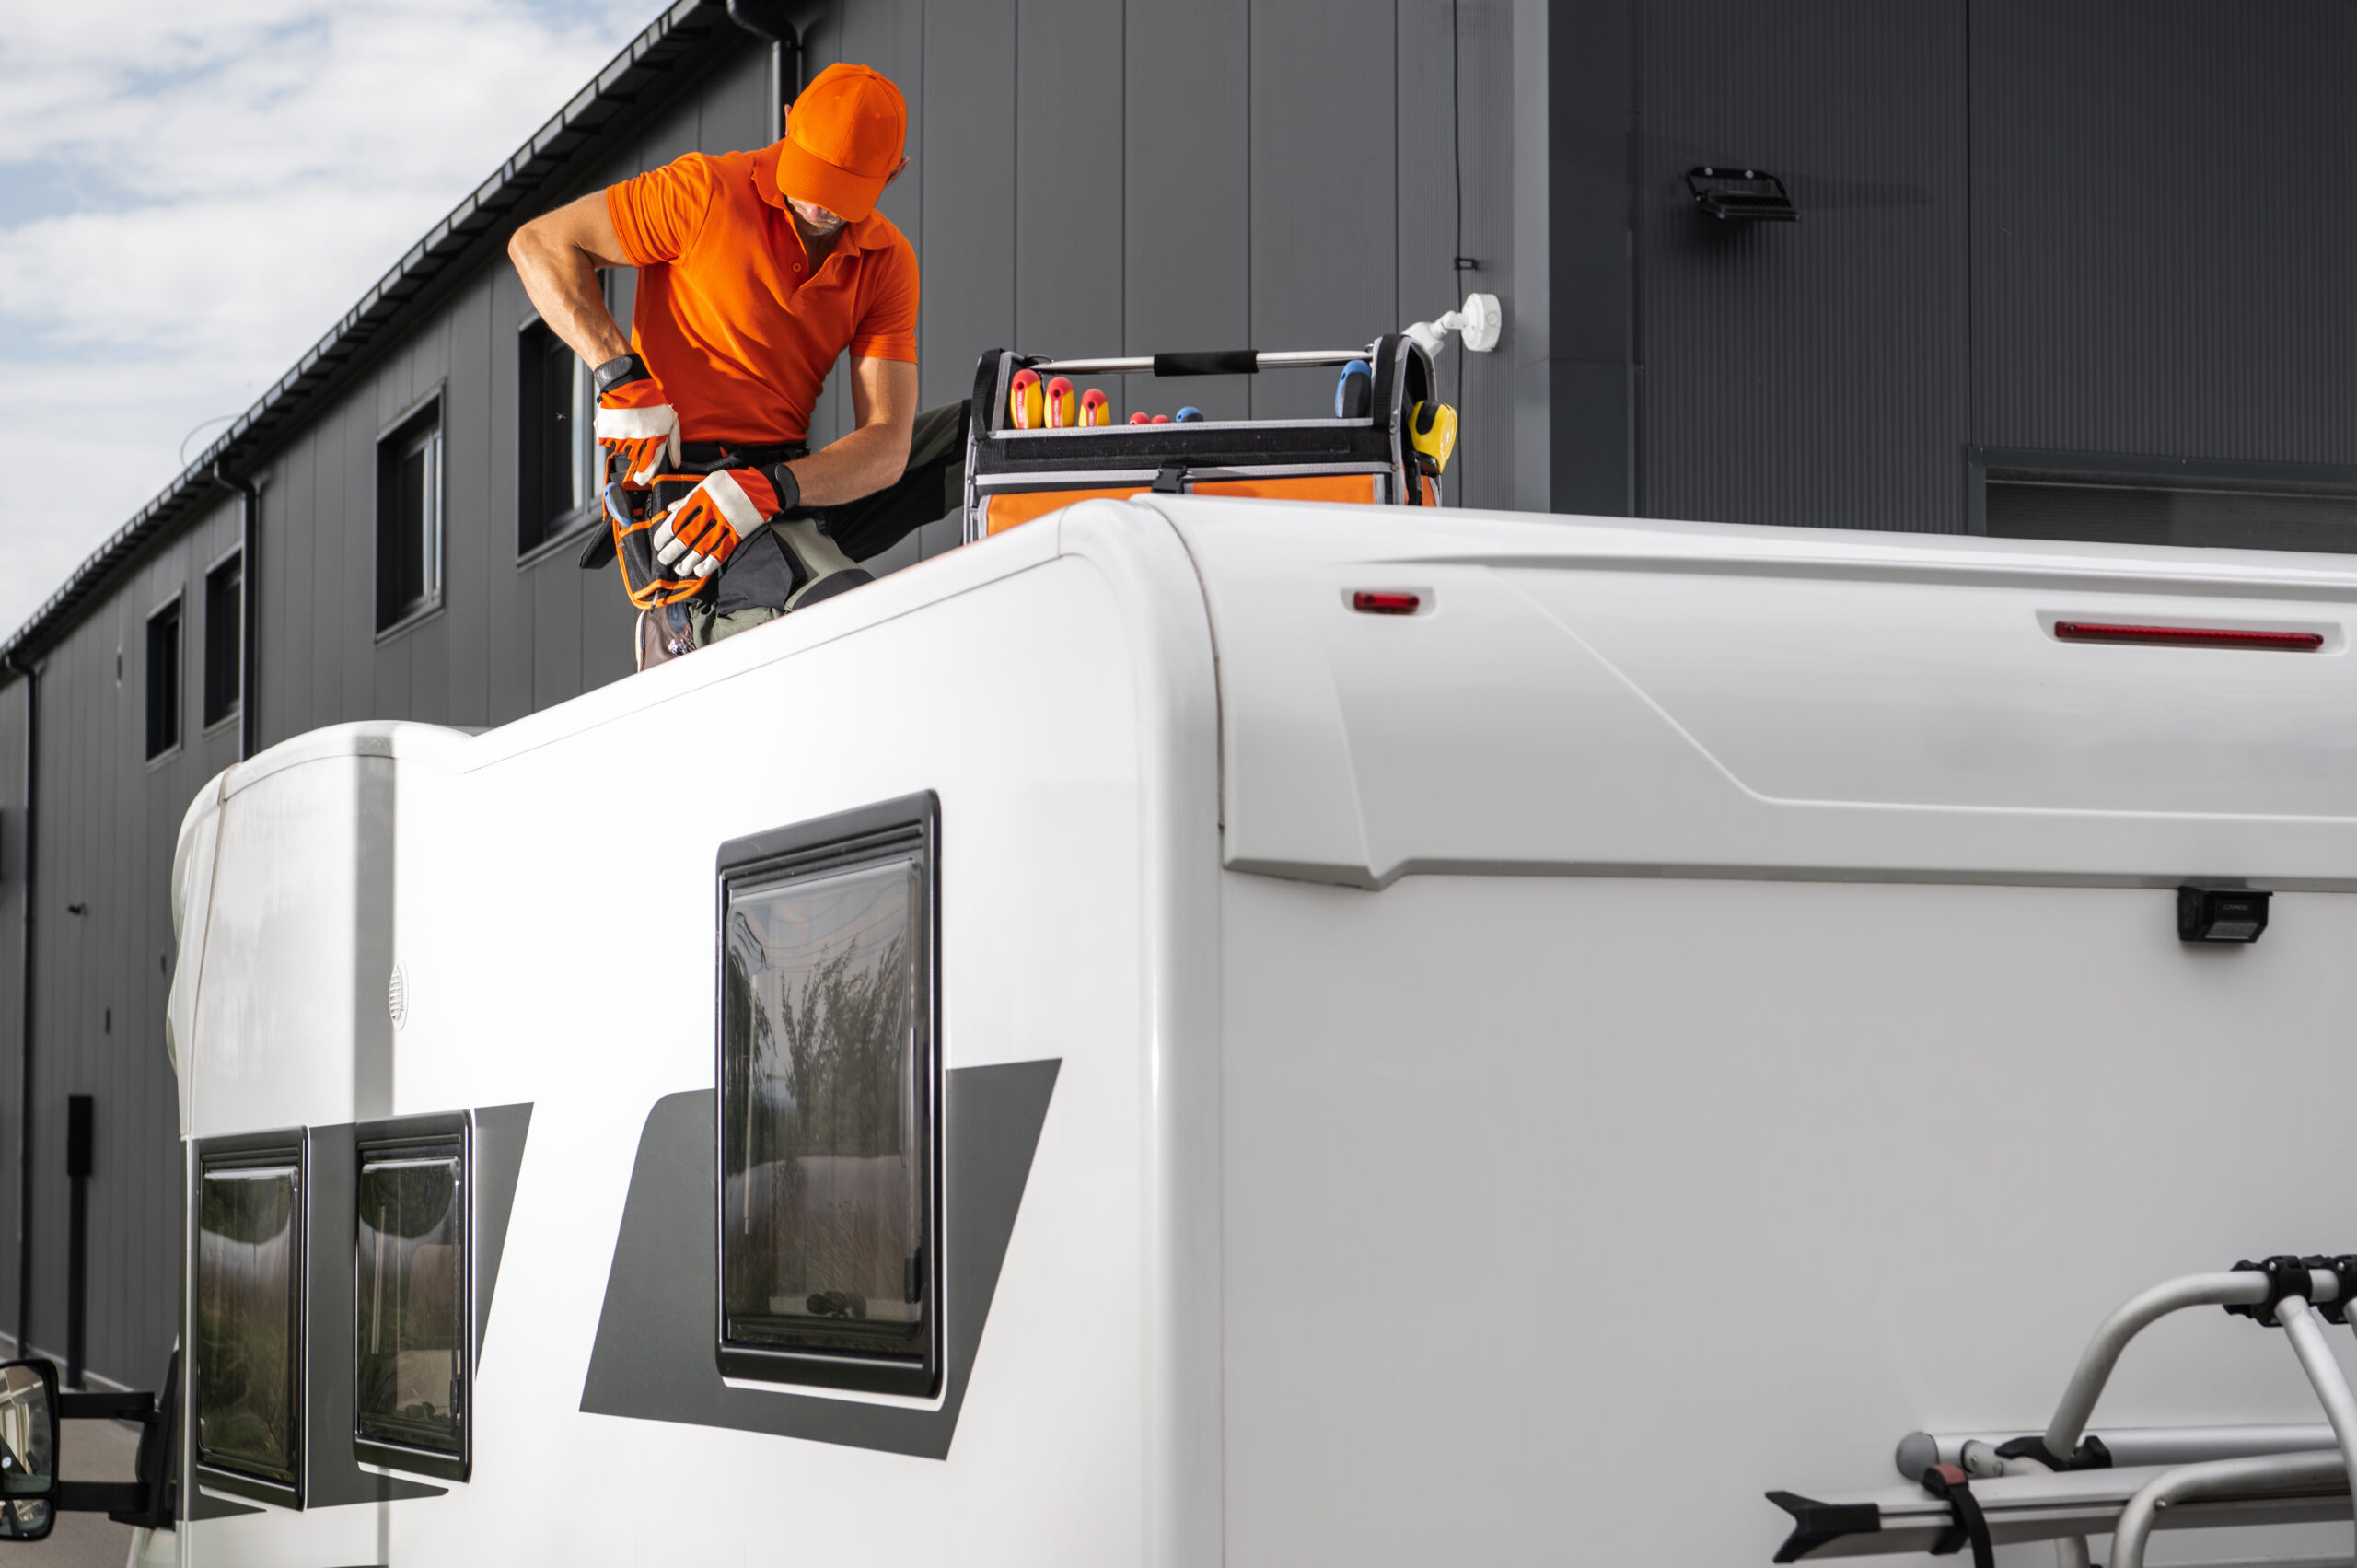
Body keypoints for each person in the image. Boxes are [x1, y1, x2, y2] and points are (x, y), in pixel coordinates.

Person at [508, 62, 965, 663]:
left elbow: (886, 444)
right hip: (689, 509)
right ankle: (679, 623)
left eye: (843, 190)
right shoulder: (704, 193)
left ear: (894, 172)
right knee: (843, 611)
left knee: (998, 422)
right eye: (812, 177)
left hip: (786, 485)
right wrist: (618, 374)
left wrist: (773, 486)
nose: (818, 203)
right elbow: (538, 243)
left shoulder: (887, 263)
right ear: (788, 125)